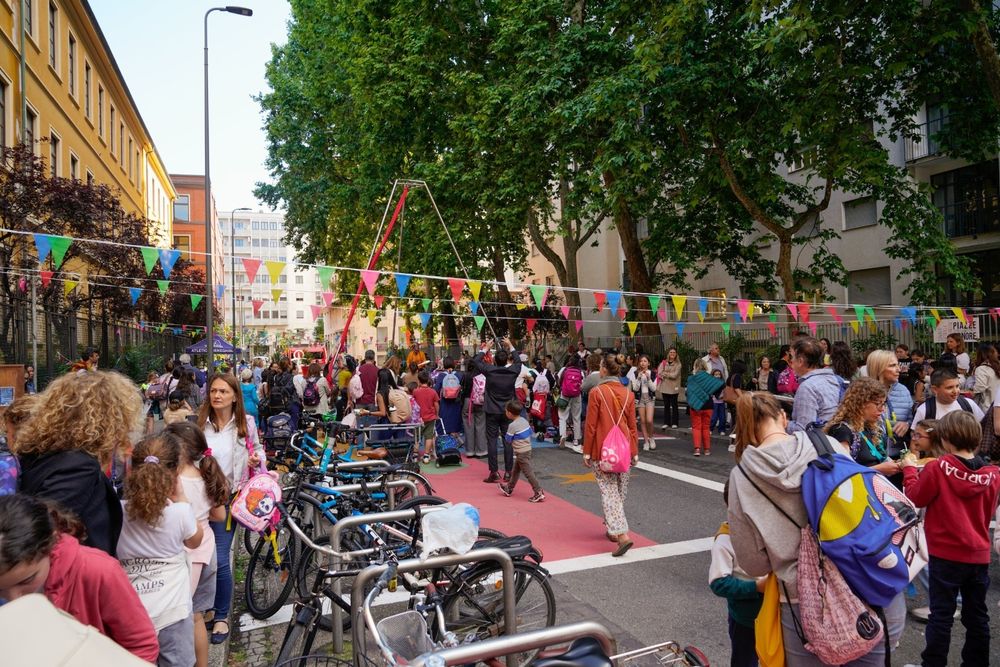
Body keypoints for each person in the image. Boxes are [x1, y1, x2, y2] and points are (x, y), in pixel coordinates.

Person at [727, 391, 904, 666]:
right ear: (784, 418)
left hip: (804, 602)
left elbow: (753, 564)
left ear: (745, 427)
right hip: (865, 578)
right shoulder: (828, 444)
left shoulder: (742, 477)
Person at [0, 494, 159, 662]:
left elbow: (142, 645)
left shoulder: (99, 571)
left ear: (51, 542)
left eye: (27, 581)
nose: (13, 599)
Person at [901, 410, 1000, 667]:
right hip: (978, 554)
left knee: (941, 615)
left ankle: (933, 664)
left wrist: (910, 469)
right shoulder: (993, 475)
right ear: (976, 439)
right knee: (978, 616)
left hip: (944, 555)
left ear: (944, 440)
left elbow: (915, 497)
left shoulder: (938, 469)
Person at [14, 370, 140, 556]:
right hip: (73, 577)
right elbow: (38, 532)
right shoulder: (78, 467)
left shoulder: (40, 455)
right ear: (111, 421)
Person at [118, 436, 203, 667]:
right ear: (175, 473)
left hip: (130, 609)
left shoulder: (118, 511)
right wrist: (182, 498)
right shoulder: (180, 512)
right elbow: (196, 541)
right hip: (172, 609)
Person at [197, 373, 265, 645]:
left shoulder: (245, 424)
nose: (217, 396)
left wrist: (256, 457)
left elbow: (258, 450)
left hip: (232, 497)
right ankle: (209, 607)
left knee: (221, 558)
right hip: (202, 499)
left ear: (235, 396)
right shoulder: (200, 423)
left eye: (223, 391)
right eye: (213, 391)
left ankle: (221, 615)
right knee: (203, 558)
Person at [172, 421, 229, 667]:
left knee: (182, 618)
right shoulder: (206, 474)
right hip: (208, 548)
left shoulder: (173, 480)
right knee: (196, 618)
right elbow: (220, 516)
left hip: (185, 553)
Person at [582, 354, 638, 557]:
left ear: (603, 369)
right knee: (620, 490)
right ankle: (613, 529)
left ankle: (622, 535)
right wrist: (635, 452)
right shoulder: (628, 394)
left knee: (608, 490)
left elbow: (591, 425)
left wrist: (587, 451)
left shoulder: (597, 392)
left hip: (602, 449)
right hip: (624, 449)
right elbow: (633, 426)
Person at [709, 481, 764, 667]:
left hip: (772, 612)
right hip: (745, 618)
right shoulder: (725, 539)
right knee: (745, 660)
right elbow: (718, 583)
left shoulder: (766, 530)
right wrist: (756, 587)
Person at [825, 377, 902, 478]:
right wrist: (879, 469)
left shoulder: (869, 427)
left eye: (883, 404)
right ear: (860, 403)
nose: (882, 409)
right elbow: (842, 471)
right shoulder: (842, 430)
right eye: (878, 404)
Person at [472, 337, 523, 483]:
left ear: (494, 360)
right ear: (507, 360)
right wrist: (511, 345)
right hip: (508, 411)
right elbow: (518, 362)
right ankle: (508, 472)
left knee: (492, 441)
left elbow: (476, 361)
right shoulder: (513, 371)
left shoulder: (490, 370)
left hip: (492, 410)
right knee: (508, 442)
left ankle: (494, 472)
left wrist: (486, 348)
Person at [788, 337, 844, 432]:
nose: (790, 361)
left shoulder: (807, 387)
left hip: (821, 444)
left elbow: (804, 430)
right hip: (840, 442)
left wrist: (784, 423)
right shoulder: (837, 380)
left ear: (800, 361)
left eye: (791, 357)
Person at [497, 400, 545, 502]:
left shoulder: (512, 426)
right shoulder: (524, 420)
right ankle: (509, 488)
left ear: (509, 413)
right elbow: (530, 432)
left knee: (528, 473)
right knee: (515, 471)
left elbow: (508, 440)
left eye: (506, 411)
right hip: (527, 449)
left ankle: (538, 491)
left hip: (521, 452)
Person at [865, 349, 914, 448]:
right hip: (872, 454)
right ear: (878, 368)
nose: (898, 369)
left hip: (899, 453)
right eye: (892, 365)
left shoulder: (903, 391)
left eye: (897, 365)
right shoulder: (863, 392)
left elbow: (911, 418)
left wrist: (907, 424)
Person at [910, 368, 984, 428]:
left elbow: (982, 426)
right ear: (935, 389)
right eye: (949, 387)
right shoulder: (924, 410)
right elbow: (916, 436)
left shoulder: (969, 404)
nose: (955, 391)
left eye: (957, 386)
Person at [687, 358, 724, 456]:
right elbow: (719, 386)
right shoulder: (710, 378)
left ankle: (697, 449)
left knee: (696, 427)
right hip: (708, 405)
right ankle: (707, 450)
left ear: (695, 367)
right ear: (705, 366)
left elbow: (688, 393)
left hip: (696, 406)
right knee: (706, 427)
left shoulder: (691, 378)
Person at [630, 355, 658, 451]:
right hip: (640, 398)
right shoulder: (635, 373)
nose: (643, 363)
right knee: (642, 421)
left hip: (649, 398)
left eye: (645, 361)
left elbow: (654, 388)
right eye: (641, 361)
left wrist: (648, 378)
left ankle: (651, 438)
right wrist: (638, 378)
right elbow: (635, 389)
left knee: (649, 420)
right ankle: (646, 441)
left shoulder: (653, 373)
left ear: (648, 363)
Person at [412, 371, 440, 464]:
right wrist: (436, 414)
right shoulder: (433, 392)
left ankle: (415, 455)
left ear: (419, 380)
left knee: (416, 437)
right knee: (429, 436)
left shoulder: (416, 391)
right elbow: (436, 404)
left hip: (418, 419)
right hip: (430, 417)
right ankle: (426, 455)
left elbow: (413, 403)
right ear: (428, 380)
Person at [434, 357, 464, 440]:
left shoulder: (441, 375)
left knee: (444, 417)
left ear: (444, 364)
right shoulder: (459, 375)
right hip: (456, 401)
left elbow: (436, 389)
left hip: (444, 402)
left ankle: (444, 435)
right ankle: (455, 434)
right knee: (455, 417)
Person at [462, 368, 488, 458]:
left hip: (467, 401)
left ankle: (470, 451)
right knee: (480, 425)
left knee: (468, 425)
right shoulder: (483, 376)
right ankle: (481, 451)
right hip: (480, 401)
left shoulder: (466, 375)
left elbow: (462, 388)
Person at [970, 342, 1000, 412]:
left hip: (988, 407)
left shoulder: (981, 369)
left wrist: (970, 391)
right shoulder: (997, 365)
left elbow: (980, 388)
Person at [657, 348, 682, 428]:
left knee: (674, 405)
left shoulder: (678, 364)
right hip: (664, 387)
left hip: (674, 388)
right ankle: (666, 422)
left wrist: (665, 373)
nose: (672, 353)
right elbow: (659, 373)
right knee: (666, 405)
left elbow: (675, 375)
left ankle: (675, 423)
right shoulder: (664, 363)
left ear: (676, 354)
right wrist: (668, 374)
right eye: (671, 352)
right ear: (668, 353)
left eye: (674, 352)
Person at [726, 359, 748, 433]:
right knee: (738, 420)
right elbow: (736, 388)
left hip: (730, 401)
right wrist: (743, 398)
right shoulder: (737, 376)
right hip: (737, 401)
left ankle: (733, 438)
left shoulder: (731, 376)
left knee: (734, 418)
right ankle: (736, 437)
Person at [709, 370, 728, 437]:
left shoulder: (722, 383)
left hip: (721, 402)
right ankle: (710, 429)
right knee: (714, 417)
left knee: (722, 417)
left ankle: (722, 429)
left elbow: (725, 391)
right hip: (714, 402)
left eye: (719, 374)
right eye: (716, 374)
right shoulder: (711, 383)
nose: (717, 376)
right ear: (713, 375)